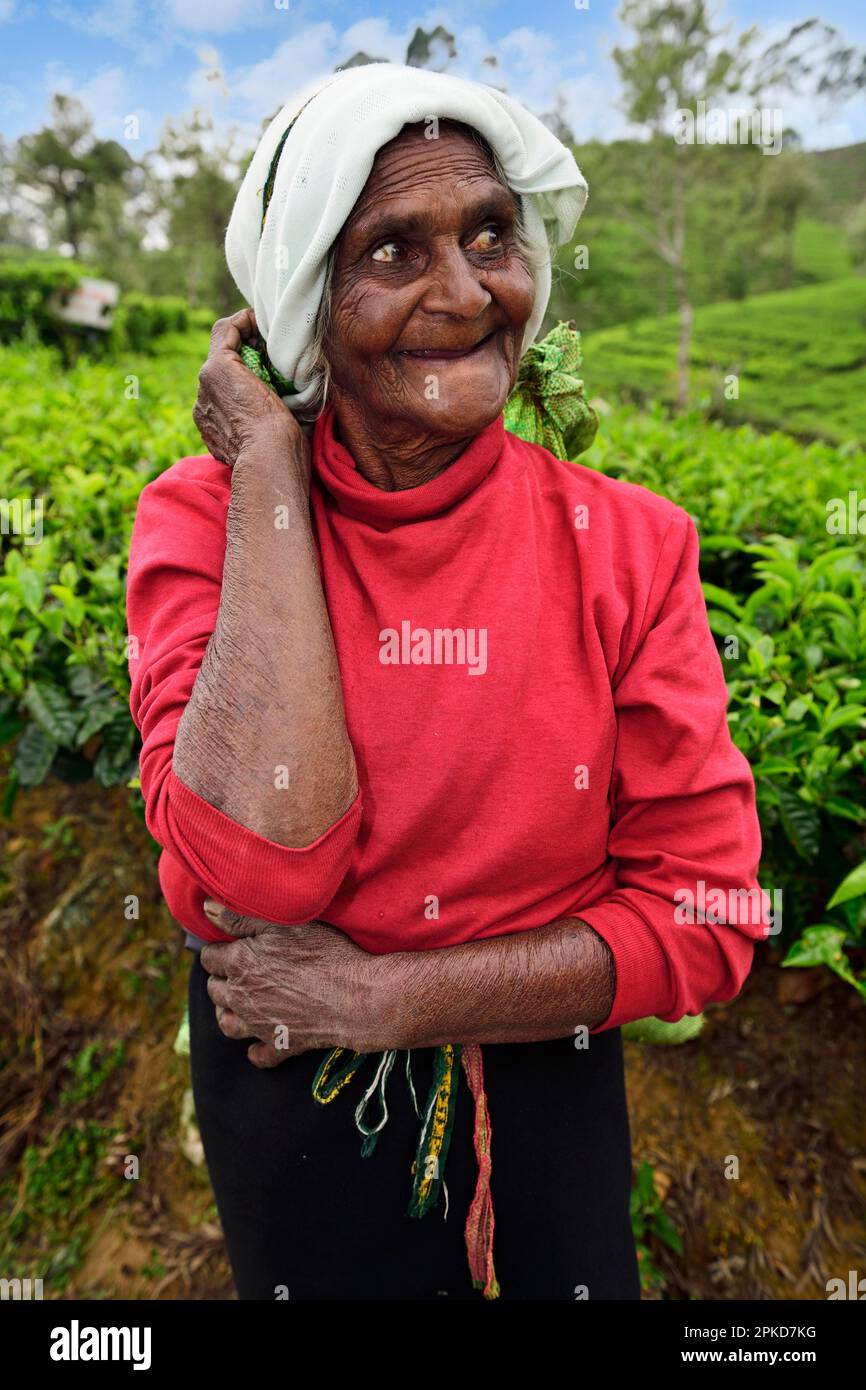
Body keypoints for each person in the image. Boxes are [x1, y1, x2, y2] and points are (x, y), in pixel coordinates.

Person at [126, 63, 766, 1301]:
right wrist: (268, 482)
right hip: (290, 1088)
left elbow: (707, 911)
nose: (467, 291)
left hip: (539, 1074)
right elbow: (255, 871)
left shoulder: (630, 545)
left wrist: (380, 995)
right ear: (303, 301)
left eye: (488, 233)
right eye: (391, 250)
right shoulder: (203, 521)